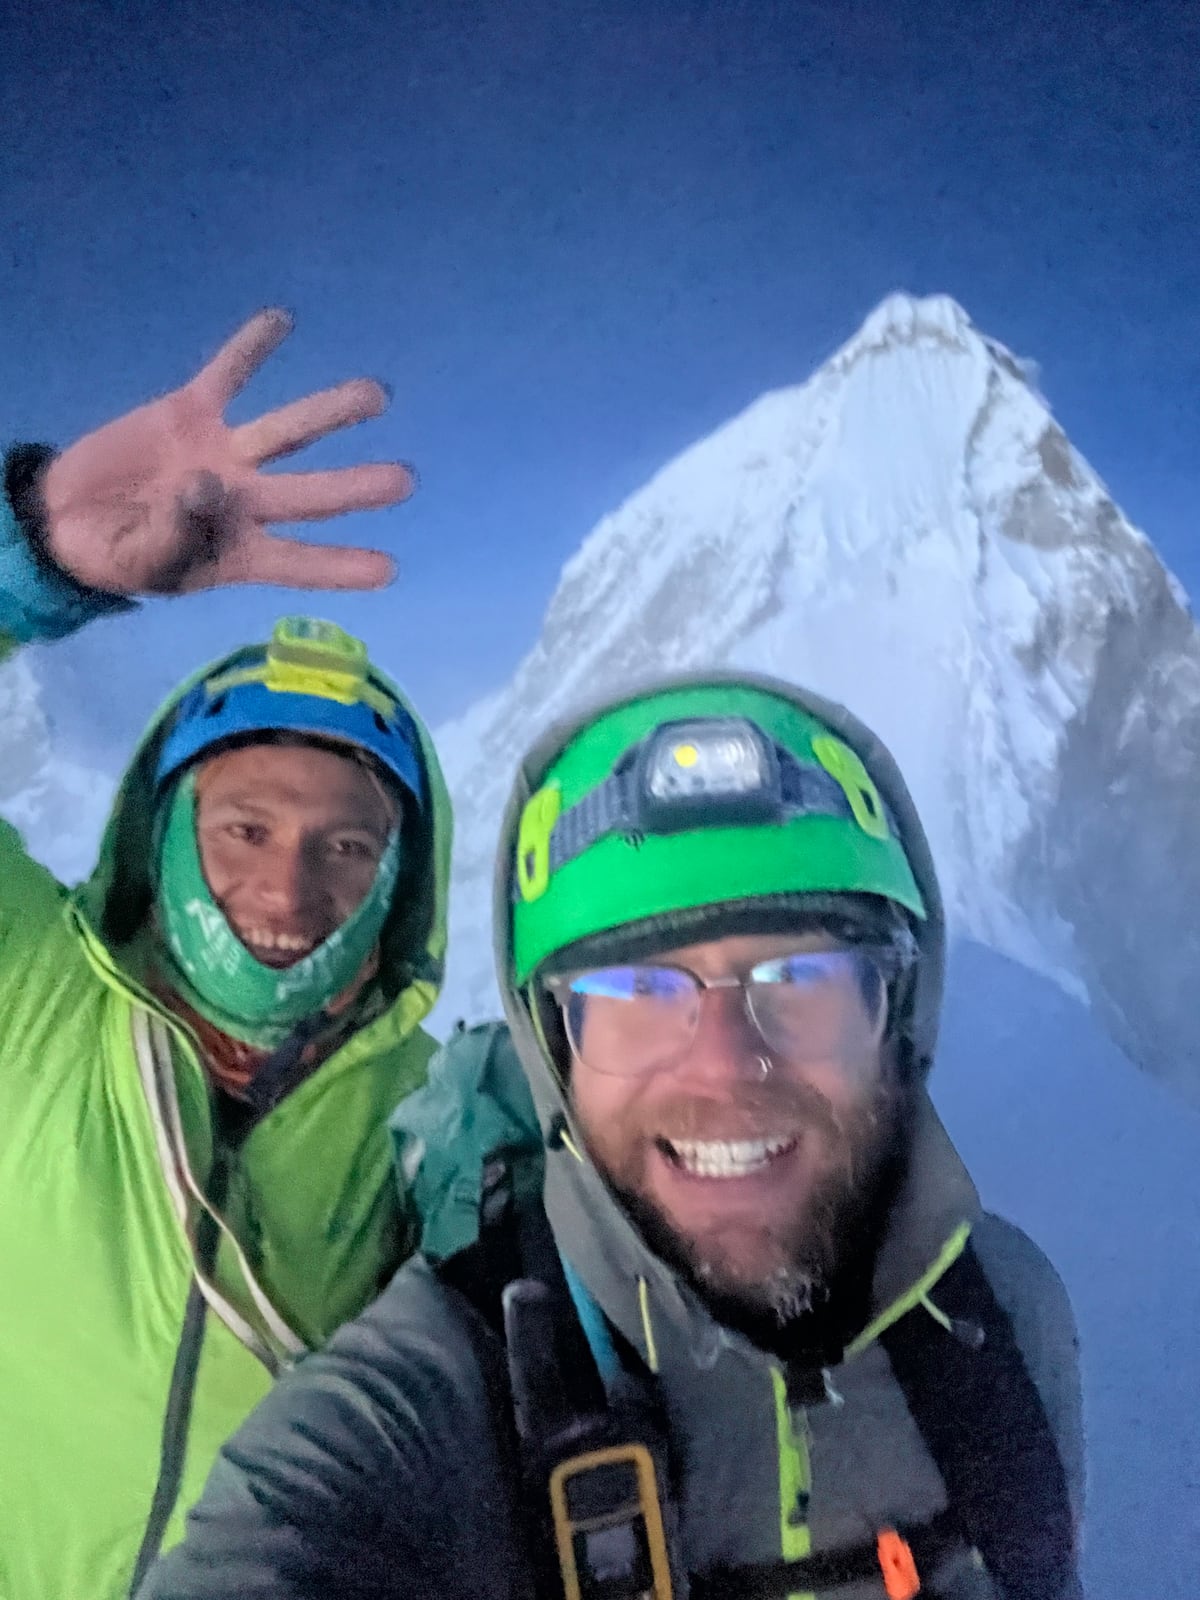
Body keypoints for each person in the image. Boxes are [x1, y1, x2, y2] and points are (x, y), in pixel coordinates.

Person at [143, 675, 1086, 1600]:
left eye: (802, 978)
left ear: (900, 1016)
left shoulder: (1001, 1319)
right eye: (636, 995)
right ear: (553, 1049)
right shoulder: (433, 1397)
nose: (725, 1068)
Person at [0, 311, 453, 1599]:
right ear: (162, 831)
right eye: (242, 825)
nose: (286, 888)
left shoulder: (449, 1138)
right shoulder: (21, 985)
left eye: (350, 847)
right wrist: (25, 559)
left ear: (401, 884)